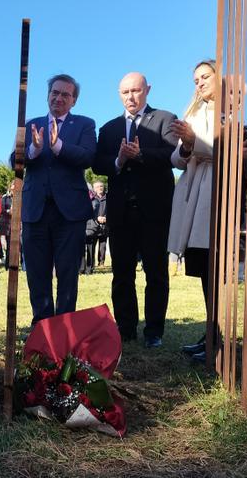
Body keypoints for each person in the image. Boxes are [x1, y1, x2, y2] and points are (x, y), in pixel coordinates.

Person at [92, 72, 178, 347]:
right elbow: (98, 163)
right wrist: (118, 160)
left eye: (135, 91)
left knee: (156, 272)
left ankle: (154, 331)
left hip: (155, 211)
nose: (130, 97)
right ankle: (126, 329)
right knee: (122, 274)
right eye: (125, 92)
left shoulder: (165, 119)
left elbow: (172, 156)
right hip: (120, 212)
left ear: (147, 90)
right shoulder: (108, 129)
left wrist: (141, 155)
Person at [15, 73, 97, 324]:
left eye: (65, 94)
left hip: (69, 213)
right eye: (55, 93)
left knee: (67, 272)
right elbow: (14, 161)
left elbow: (88, 156)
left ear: (74, 100)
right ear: (48, 95)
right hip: (35, 210)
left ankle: (63, 328)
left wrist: (58, 146)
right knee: (37, 272)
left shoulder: (84, 124)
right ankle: (41, 324)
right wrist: (34, 150)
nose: (59, 98)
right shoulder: (30, 125)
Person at [163, 60, 218, 359]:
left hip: (215, 190)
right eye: (195, 79)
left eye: (205, 77)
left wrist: (194, 141)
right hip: (194, 189)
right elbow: (177, 158)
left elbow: (228, 148)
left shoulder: (230, 110)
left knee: (214, 264)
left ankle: (216, 334)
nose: (199, 83)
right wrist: (186, 145)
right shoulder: (195, 112)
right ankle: (211, 331)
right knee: (202, 266)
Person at [91, 181, 108, 267]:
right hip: (93, 224)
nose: (100, 188)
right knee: (92, 245)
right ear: (94, 189)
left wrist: (106, 218)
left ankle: (101, 262)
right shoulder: (92, 198)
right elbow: (90, 210)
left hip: (105, 224)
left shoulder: (108, 197)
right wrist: (97, 217)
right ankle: (92, 263)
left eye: (101, 186)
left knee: (103, 245)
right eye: (97, 187)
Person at [0, 180, 15, 268]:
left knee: (16, 246)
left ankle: (19, 263)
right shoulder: (5, 197)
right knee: (8, 245)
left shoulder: (21, 196)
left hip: (18, 224)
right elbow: (2, 209)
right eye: (13, 186)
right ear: (10, 187)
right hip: (7, 224)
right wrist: (9, 211)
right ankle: (7, 264)